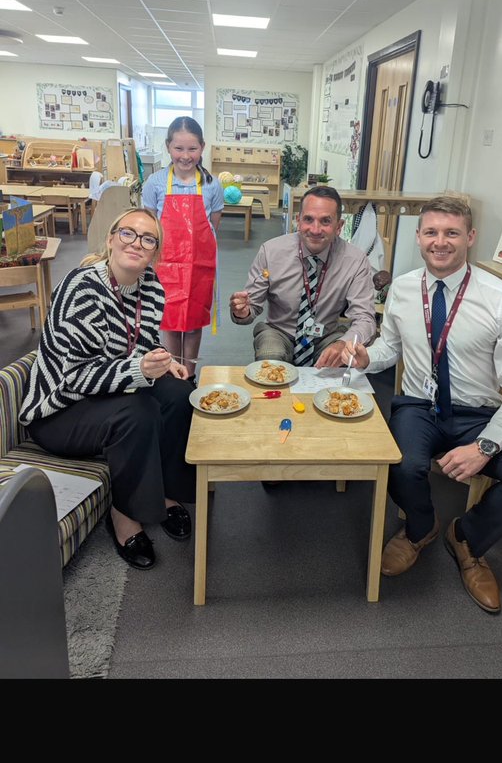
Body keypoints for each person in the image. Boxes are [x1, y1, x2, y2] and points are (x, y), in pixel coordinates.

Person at [340, 195, 502, 613]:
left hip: (481, 414)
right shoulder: (403, 289)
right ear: (419, 237)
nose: (441, 242)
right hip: (419, 406)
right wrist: (368, 356)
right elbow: (391, 348)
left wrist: (485, 447)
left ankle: (467, 539)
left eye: (452, 233)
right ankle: (420, 528)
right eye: (432, 232)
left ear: (470, 237)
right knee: (398, 462)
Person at [19, 208, 196, 570]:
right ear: (112, 239)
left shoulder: (150, 286)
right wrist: (139, 369)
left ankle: (166, 492)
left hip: (106, 393)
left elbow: (142, 344)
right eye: (128, 233)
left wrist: (163, 361)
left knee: (180, 392)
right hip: (59, 410)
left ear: (155, 252)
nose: (137, 243)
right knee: (139, 412)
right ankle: (124, 513)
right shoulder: (83, 287)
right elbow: (75, 377)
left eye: (148, 239)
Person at [230, 185, 376, 367]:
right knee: (270, 356)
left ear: (339, 227)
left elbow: (365, 318)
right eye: (308, 219)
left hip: (326, 335)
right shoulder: (271, 251)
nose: (315, 230)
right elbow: (251, 306)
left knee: (342, 361)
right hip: (279, 331)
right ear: (298, 220)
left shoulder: (355, 260)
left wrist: (344, 343)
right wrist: (242, 312)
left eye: (325, 221)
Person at [142, 116, 224, 378]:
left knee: (192, 322)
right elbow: (149, 228)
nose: (185, 156)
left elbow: (213, 226)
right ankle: (172, 373)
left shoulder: (212, 185)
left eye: (192, 149)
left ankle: (188, 374)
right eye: (179, 148)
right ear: (168, 147)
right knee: (169, 321)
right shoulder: (155, 183)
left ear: (202, 147)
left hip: (199, 266)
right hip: (165, 265)